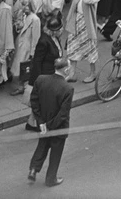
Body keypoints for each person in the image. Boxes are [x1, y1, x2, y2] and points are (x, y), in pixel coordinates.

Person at [27, 58, 73, 187]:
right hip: (58, 128)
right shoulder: (67, 88)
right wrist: (49, 126)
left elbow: (34, 101)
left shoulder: (41, 80)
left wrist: (41, 123)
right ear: (66, 69)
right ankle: (51, 178)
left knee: (42, 146)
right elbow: (63, 114)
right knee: (55, 153)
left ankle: (33, 169)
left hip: (43, 124)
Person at [25, 11, 65, 131]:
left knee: (43, 101)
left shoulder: (55, 38)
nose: (62, 30)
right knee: (43, 101)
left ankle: (32, 122)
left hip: (52, 74)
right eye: (60, 28)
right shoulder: (44, 41)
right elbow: (37, 61)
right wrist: (37, 80)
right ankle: (35, 123)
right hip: (45, 76)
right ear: (54, 30)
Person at [65, 0, 101, 83]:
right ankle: (72, 73)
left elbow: (86, 0)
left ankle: (93, 73)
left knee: (89, 48)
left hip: (87, 24)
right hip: (76, 21)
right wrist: (69, 18)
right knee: (72, 46)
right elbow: (74, 4)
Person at [9, 0, 41, 96]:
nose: (25, 7)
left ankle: (24, 87)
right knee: (21, 68)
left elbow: (36, 37)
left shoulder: (35, 19)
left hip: (27, 47)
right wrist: (18, 26)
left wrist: (33, 52)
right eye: (23, 5)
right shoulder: (22, 15)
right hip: (19, 45)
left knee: (23, 68)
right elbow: (19, 30)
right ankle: (22, 86)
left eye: (27, 5)